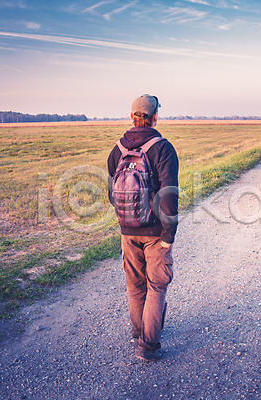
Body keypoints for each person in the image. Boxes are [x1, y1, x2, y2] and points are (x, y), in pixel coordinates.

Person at [107, 94, 179, 361]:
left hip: (127, 229)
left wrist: (127, 216)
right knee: (157, 285)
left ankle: (139, 333)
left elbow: (111, 191)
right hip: (155, 231)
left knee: (135, 285)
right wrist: (168, 234)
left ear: (132, 116)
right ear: (155, 116)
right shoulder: (162, 147)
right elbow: (169, 194)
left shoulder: (118, 149)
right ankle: (147, 346)